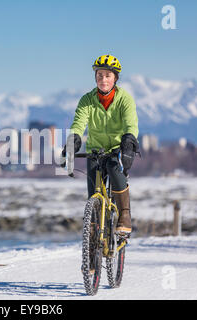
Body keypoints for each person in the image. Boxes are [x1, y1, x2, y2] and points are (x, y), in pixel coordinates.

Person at [61, 54, 139, 235]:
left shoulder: (124, 99)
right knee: (93, 193)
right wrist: (74, 140)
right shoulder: (87, 100)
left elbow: (131, 124)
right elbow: (79, 123)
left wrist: (128, 142)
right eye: (100, 75)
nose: (103, 79)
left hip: (116, 150)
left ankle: (125, 215)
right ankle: (94, 243)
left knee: (115, 170)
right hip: (94, 150)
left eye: (108, 75)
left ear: (115, 78)